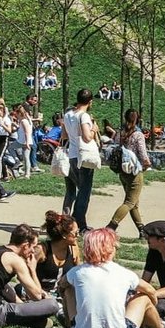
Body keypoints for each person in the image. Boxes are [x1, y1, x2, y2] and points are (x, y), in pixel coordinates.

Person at [58, 227, 165, 328]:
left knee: (68, 290)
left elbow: (62, 285)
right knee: (143, 298)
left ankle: (71, 324)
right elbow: (150, 290)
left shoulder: (77, 272)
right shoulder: (124, 274)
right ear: (110, 249)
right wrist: (150, 309)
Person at [0, 224, 60, 327]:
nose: (33, 251)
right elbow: (36, 296)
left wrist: (22, 306)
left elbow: (3, 287)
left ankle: (31, 320)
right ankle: (33, 320)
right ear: (25, 245)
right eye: (33, 247)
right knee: (52, 305)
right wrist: (32, 269)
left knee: (10, 288)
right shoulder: (16, 260)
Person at [105, 109, 151, 237]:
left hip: (123, 171)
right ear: (138, 119)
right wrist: (147, 164)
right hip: (134, 172)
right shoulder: (138, 134)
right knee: (130, 203)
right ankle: (111, 226)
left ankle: (142, 230)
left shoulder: (121, 132)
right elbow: (142, 153)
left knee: (133, 203)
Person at [61, 89, 99, 230]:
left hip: (71, 155)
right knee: (84, 191)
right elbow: (87, 137)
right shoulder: (84, 116)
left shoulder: (68, 115)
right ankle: (79, 223)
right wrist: (94, 129)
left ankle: (69, 219)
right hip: (83, 157)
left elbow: (64, 136)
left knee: (73, 189)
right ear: (90, 102)